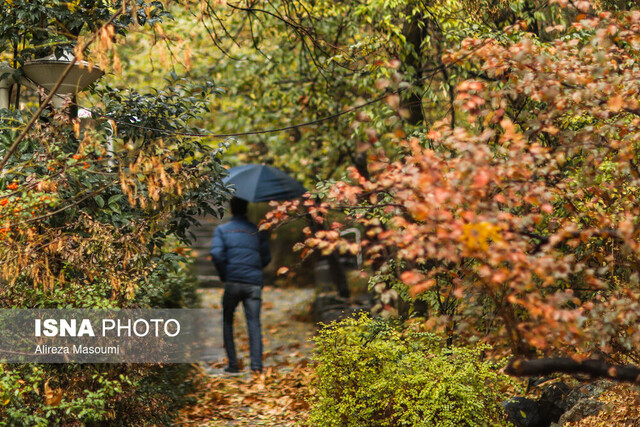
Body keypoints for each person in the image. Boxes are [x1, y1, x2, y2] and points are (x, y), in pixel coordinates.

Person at [210, 197, 271, 373]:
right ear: (246, 210)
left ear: (231, 210)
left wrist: (225, 275)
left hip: (232, 283)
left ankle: (233, 364)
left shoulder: (222, 230)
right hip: (253, 284)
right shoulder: (257, 230)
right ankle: (257, 367)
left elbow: (216, 254)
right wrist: (254, 269)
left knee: (228, 322)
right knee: (254, 324)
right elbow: (266, 257)